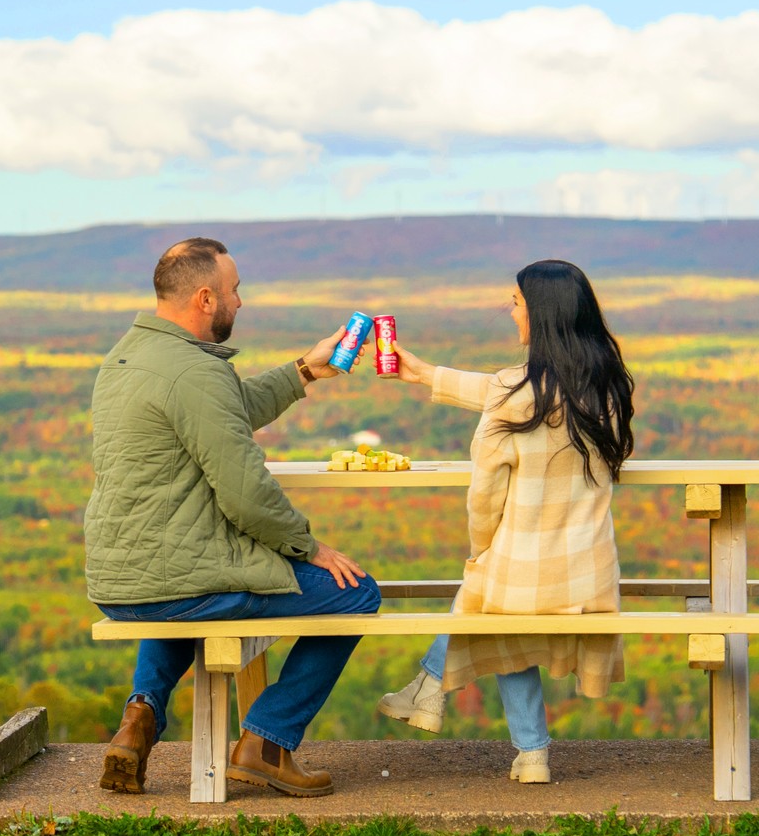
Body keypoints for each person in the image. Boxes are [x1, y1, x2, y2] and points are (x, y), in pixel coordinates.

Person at [85, 237, 379, 798]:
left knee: (176, 581)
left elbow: (227, 410)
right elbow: (247, 496)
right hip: (175, 582)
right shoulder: (196, 372)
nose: (240, 303)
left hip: (119, 582)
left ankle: (140, 712)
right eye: (234, 291)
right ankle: (267, 742)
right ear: (204, 299)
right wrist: (311, 549)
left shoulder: (127, 357)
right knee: (357, 593)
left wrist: (304, 371)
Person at [377, 259, 635, 783]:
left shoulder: (514, 396)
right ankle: (517, 748)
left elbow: (484, 497)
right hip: (590, 574)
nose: (510, 311)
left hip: (527, 576)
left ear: (538, 315)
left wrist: (480, 549)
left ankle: (448, 700)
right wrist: (425, 373)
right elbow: (512, 391)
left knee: (490, 585)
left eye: (516, 302)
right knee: (497, 599)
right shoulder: (607, 386)